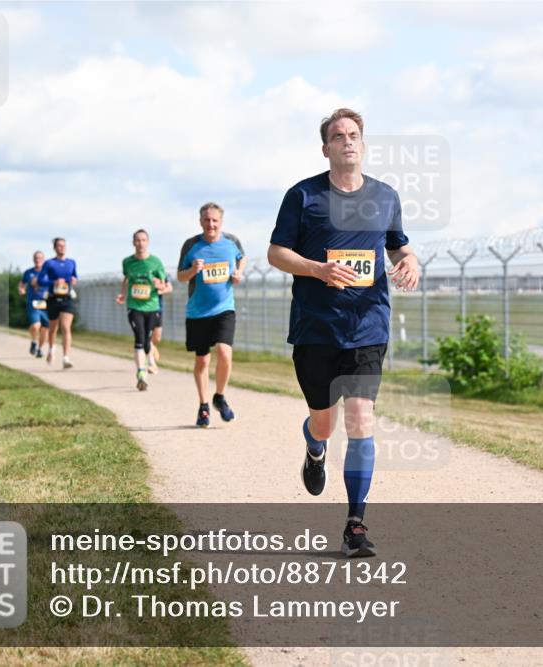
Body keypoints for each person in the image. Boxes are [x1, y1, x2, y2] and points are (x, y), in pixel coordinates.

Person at [267, 108, 420, 558]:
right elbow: (277, 252)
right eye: (339, 136)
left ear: (363, 145)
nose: (348, 142)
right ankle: (315, 446)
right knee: (325, 421)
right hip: (316, 327)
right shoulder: (303, 196)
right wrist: (317, 269)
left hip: (367, 326)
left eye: (354, 135)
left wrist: (409, 261)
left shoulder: (385, 196)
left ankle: (355, 524)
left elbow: (397, 244)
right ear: (326, 148)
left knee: (359, 419)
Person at [177, 202, 247, 427]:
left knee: (224, 352)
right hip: (197, 312)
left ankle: (220, 396)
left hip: (224, 309)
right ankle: (204, 405)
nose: (211, 224)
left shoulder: (231, 242)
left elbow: (242, 257)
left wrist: (238, 273)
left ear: (221, 222)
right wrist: (192, 271)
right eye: (207, 220)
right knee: (202, 360)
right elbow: (180, 276)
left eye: (215, 220)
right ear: (200, 222)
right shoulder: (191, 246)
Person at [116, 229, 171, 390]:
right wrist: (123, 294)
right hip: (134, 306)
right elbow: (126, 279)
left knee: (149, 340)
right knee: (139, 339)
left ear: (148, 242)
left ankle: (150, 359)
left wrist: (158, 285)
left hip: (152, 306)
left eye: (143, 240)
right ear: (134, 243)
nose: (140, 243)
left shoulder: (156, 263)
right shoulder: (127, 262)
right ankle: (141, 373)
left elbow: (165, 286)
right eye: (138, 240)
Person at [38, 238, 78, 369]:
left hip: (67, 299)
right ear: (55, 248)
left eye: (64, 246)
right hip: (53, 299)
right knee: (53, 328)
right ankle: (51, 349)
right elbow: (40, 280)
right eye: (59, 246)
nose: (62, 248)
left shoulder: (71, 262)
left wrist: (73, 280)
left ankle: (66, 358)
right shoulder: (49, 263)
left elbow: (75, 277)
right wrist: (53, 283)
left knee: (66, 327)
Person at [20, 251, 50, 358]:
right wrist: (22, 289)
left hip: (46, 304)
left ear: (44, 260)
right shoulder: (28, 272)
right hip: (33, 302)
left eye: (40, 258)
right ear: (33, 259)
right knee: (36, 325)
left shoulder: (48, 273)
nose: (38, 260)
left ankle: (39, 349)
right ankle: (34, 342)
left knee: (45, 329)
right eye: (36, 258)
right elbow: (22, 283)